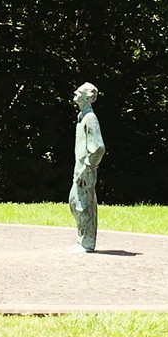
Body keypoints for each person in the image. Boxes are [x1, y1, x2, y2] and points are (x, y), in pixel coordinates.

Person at [69, 82, 105, 253]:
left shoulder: (90, 119)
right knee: (74, 202)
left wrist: (88, 166)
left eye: (80, 91)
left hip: (86, 168)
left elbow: (98, 147)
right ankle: (82, 239)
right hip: (80, 166)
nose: (75, 92)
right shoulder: (83, 117)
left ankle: (87, 242)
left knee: (83, 204)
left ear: (88, 97)